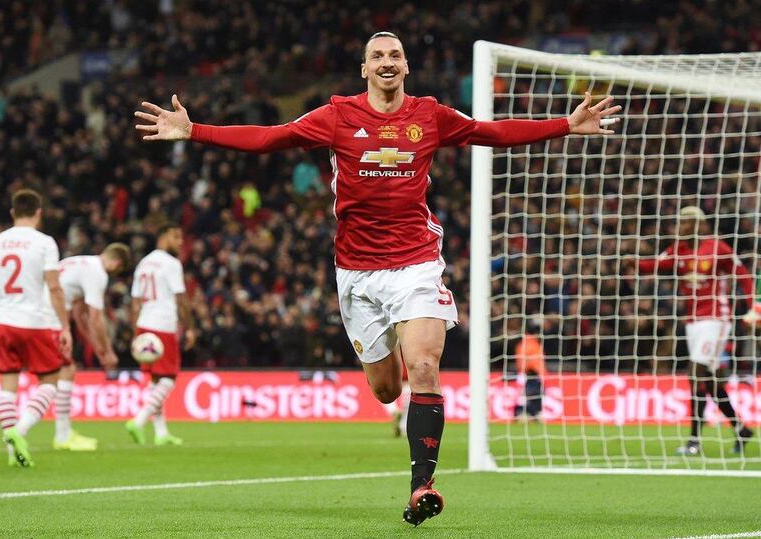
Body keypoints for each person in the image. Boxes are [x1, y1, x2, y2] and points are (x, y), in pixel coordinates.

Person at [134, 31, 619, 526]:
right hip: (357, 275)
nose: (387, 62)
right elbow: (270, 137)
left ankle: (421, 486)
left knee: (425, 366)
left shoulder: (429, 115)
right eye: (377, 57)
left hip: (416, 263)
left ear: (406, 66)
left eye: (394, 56)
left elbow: (490, 133)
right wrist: (195, 131)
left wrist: (564, 125)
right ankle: (395, 382)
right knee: (387, 391)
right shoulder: (338, 115)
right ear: (364, 68)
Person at [627, 206, 755, 455]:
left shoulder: (718, 248)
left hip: (716, 318)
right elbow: (654, 265)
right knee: (706, 381)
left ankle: (694, 441)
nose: (681, 227)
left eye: (685, 223)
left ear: (698, 225)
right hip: (692, 321)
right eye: (680, 223)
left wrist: (752, 307)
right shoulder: (678, 250)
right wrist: (632, 261)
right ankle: (741, 428)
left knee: (695, 375)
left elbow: (744, 276)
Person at [0, 189, 72, 467]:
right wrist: (65, 327)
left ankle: (12, 448)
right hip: (37, 322)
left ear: (12, 213)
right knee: (50, 384)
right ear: (39, 213)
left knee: (8, 387)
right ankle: (19, 432)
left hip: (5, 321)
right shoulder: (44, 243)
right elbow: (54, 287)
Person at [43, 244, 131, 450]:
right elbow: (95, 317)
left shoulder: (80, 262)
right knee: (63, 371)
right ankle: (58, 434)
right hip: (49, 315)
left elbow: (79, 313)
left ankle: (63, 432)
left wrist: (97, 348)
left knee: (64, 370)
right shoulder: (98, 273)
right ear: (116, 263)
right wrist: (107, 352)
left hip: (44, 311)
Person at [125, 224, 195, 446]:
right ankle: (139, 420)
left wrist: (135, 331)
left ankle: (161, 432)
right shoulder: (171, 263)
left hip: (145, 324)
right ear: (163, 237)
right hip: (163, 325)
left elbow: (135, 302)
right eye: (176, 236)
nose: (180, 242)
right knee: (169, 377)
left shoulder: (143, 263)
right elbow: (181, 298)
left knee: (155, 380)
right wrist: (190, 327)